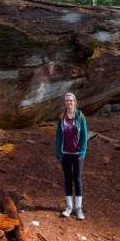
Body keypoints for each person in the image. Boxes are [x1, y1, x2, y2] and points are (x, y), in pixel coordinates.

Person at [55, 92, 88, 220]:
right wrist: (58, 152)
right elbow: (58, 135)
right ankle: (69, 207)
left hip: (77, 154)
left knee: (78, 179)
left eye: (71, 100)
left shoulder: (80, 116)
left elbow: (84, 136)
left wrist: (82, 152)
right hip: (65, 154)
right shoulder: (62, 117)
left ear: (75, 102)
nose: (69, 102)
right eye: (67, 101)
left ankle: (78, 208)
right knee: (68, 178)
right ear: (65, 103)